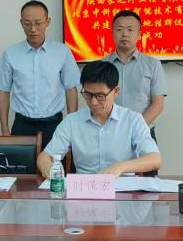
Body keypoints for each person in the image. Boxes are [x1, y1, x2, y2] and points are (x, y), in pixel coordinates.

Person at [37, 60, 161, 177]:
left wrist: (121, 167)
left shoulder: (133, 120)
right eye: (88, 94)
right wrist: (48, 168)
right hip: (85, 187)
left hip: (122, 187)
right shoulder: (72, 122)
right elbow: (45, 157)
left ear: (116, 91)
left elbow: (155, 159)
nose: (93, 102)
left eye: (100, 96)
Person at [0, 0, 81, 148]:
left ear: (47, 22)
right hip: (22, 125)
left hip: (54, 125)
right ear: (21, 23)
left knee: (54, 163)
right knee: (21, 163)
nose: (33, 29)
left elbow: (71, 89)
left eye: (38, 23)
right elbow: (3, 91)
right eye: (27, 23)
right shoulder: (11, 53)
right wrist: (4, 129)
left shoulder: (62, 52)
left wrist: (71, 125)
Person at [103, 9, 167, 143]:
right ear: (112, 33)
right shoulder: (102, 65)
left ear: (139, 35)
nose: (125, 34)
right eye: (119, 29)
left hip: (143, 133)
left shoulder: (153, 64)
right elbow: (97, 101)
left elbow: (158, 104)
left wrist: (135, 128)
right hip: (109, 133)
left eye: (130, 29)